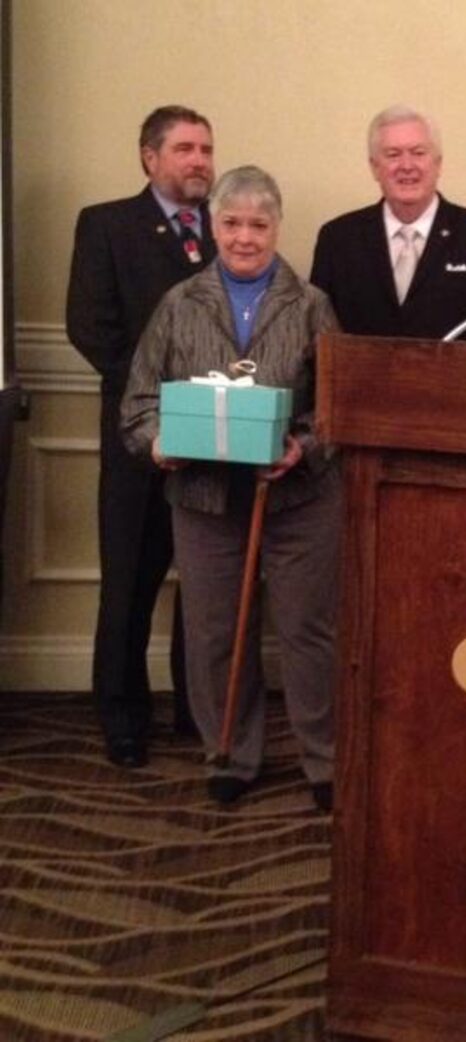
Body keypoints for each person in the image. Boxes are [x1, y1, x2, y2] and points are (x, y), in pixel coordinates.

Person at [121, 165, 341, 810]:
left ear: (276, 228)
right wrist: (159, 441)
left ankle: (324, 761)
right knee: (217, 633)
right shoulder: (179, 303)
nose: (244, 238)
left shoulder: (312, 304)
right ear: (213, 225)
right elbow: (136, 404)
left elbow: (339, 407)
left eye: (259, 225)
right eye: (232, 223)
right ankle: (228, 753)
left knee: (309, 632)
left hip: (298, 500)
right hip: (205, 501)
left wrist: (302, 445)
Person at [66, 105, 217, 769]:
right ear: (149, 157)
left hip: (215, 438)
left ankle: (196, 710)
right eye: (184, 148)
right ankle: (124, 717)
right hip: (138, 439)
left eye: (206, 148)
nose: (199, 161)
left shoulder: (230, 228)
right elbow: (91, 329)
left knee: (204, 581)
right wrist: (162, 404)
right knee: (128, 582)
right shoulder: (106, 225)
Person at [310, 104, 466, 341]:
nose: (407, 166)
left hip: (454, 378)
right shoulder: (337, 240)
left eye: (418, 153)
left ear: (438, 164)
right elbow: (321, 341)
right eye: (393, 154)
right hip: (361, 378)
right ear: (375, 167)